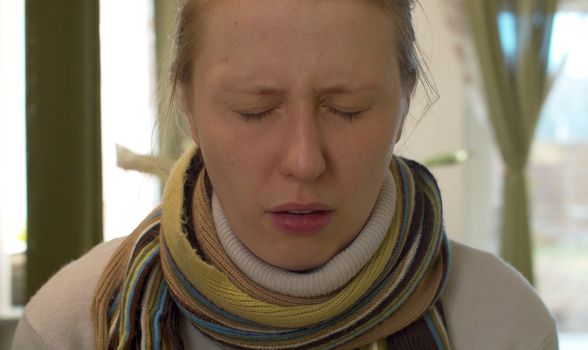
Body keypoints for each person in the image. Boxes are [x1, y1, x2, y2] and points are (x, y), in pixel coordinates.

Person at [12, 0, 557, 349]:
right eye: (254, 110)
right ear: (188, 107)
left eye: (348, 108)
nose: (304, 161)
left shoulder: (503, 325)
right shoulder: (72, 328)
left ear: (405, 103)